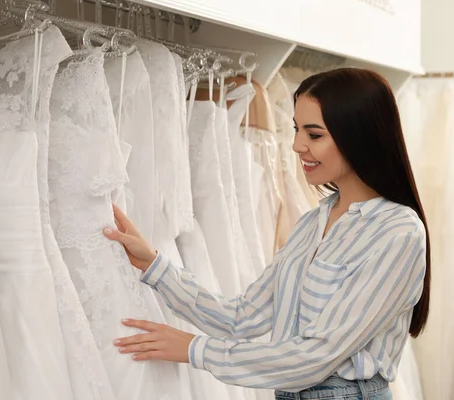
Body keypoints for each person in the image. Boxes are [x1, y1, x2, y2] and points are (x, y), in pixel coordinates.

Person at [103, 67, 431, 400]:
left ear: (358, 136)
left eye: (314, 135)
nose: (296, 145)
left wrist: (194, 349)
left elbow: (315, 356)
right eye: (296, 129)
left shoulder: (397, 233)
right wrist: (155, 266)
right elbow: (242, 317)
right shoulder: (313, 223)